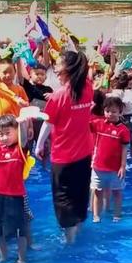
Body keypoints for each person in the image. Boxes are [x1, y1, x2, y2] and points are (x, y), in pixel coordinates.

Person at [35, 51, 93, 244]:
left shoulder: (58, 96)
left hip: (63, 158)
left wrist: (39, 145)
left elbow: (48, 124)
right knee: (80, 194)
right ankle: (79, 232)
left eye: (58, 66)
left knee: (64, 199)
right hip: (85, 153)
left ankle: (70, 242)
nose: (56, 70)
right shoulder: (88, 88)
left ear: (67, 70)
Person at [0, 115, 29, 263]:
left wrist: (23, 123)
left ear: (16, 132)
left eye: (8, 133)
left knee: (20, 229)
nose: (4, 137)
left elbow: (23, 139)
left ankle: (21, 258)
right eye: (1, 134)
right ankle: (3, 256)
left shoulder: (20, 150)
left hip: (16, 197)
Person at [90, 96, 130, 223]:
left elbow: (124, 149)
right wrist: (88, 109)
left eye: (114, 111)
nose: (110, 114)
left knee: (117, 192)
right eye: (107, 111)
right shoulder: (99, 124)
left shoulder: (123, 130)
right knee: (97, 191)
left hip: (115, 169)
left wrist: (123, 166)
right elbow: (83, 122)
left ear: (120, 112)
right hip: (98, 167)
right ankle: (96, 216)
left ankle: (117, 215)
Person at [109, 70, 132, 156]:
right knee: (124, 140)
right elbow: (113, 101)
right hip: (125, 118)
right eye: (130, 78)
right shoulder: (119, 92)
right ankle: (122, 157)